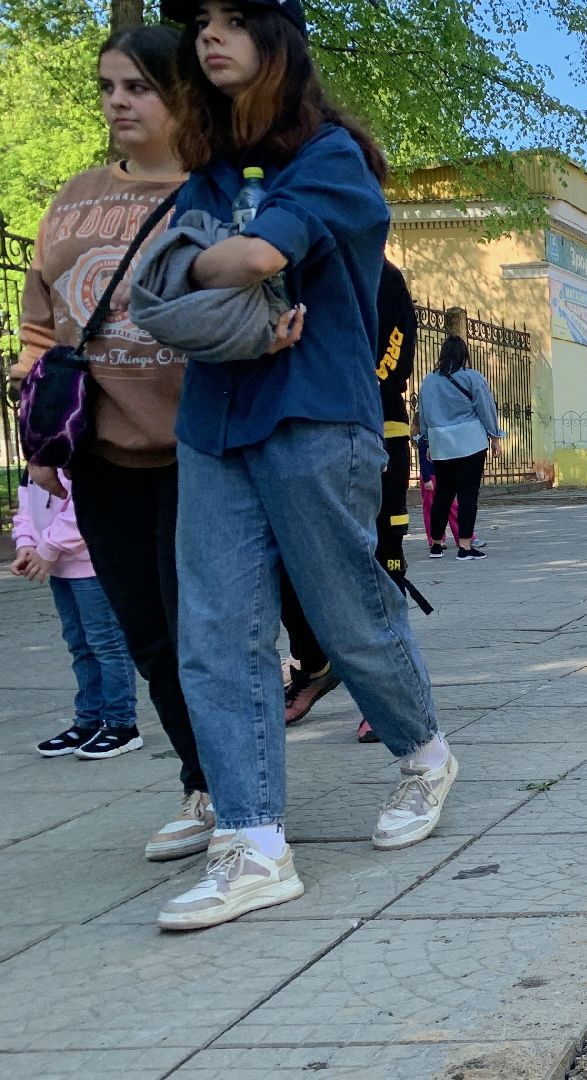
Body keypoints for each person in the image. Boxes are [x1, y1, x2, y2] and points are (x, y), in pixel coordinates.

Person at [145, 0, 454, 929]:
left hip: (315, 413)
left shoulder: (334, 160)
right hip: (214, 419)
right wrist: (210, 271)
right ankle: (253, 843)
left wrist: (201, 268)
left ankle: (425, 752)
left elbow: (254, 254)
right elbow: (171, 282)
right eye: (198, 19)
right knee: (218, 633)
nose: (209, 35)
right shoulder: (203, 172)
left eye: (235, 18)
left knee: (344, 612)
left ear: (280, 41)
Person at [14, 23, 216, 862]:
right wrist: (41, 446)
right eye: (108, 87)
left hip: (207, 450)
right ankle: (204, 785)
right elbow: (37, 327)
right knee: (146, 634)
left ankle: (239, 786)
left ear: (181, 95)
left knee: (205, 630)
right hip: (100, 456)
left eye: (138, 86)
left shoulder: (220, 190)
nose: (119, 103)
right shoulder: (74, 196)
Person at [283, 260, 425, 744]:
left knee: (379, 566)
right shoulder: (286, 259)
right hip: (296, 434)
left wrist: (346, 393)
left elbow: (394, 356)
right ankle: (315, 665)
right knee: (287, 563)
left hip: (374, 428)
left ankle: (381, 697)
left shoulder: (382, 275)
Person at [16, 470, 143, 760]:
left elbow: (86, 506)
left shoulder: (73, 450)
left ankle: (122, 724)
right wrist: (26, 543)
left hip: (91, 566)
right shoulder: (36, 459)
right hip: (58, 567)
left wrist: (47, 548)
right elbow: (25, 505)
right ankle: (89, 720)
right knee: (79, 645)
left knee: (107, 644)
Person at [421, 335, 504, 558]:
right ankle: (465, 546)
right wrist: (495, 436)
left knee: (443, 494)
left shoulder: (428, 381)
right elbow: (485, 406)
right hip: (470, 442)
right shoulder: (472, 377)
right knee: (468, 494)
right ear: (464, 354)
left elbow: (425, 414)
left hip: (441, 443)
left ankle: (436, 544)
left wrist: (427, 440)